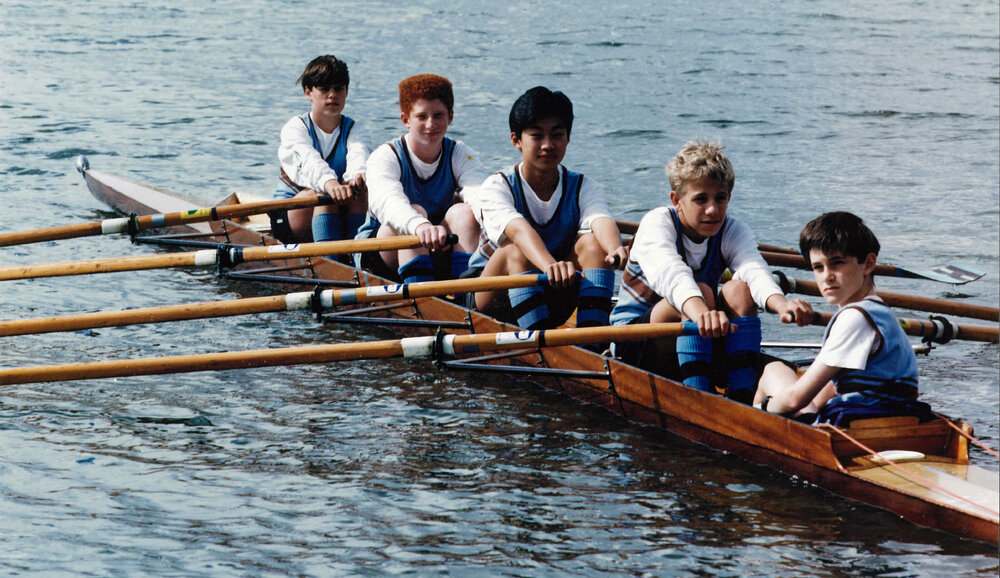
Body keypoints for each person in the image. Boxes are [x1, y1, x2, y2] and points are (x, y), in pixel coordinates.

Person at [610, 140, 812, 402]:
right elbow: (672, 276)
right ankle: (699, 397)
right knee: (702, 291)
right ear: (677, 200)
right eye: (700, 199)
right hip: (633, 341)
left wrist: (782, 306)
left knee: (740, 289)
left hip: (697, 330)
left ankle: (740, 395)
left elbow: (755, 271)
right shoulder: (657, 223)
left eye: (720, 198)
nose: (713, 210)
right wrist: (703, 313)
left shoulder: (732, 230)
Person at [466, 86, 628, 333]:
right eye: (537, 136)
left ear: (568, 138)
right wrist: (550, 265)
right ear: (516, 140)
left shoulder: (584, 186)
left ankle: (592, 342)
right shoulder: (497, 186)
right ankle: (544, 350)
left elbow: (600, 220)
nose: (548, 145)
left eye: (557, 135)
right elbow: (519, 231)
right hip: (490, 297)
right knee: (515, 250)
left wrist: (616, 250)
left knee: (594, 244)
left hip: (551, 291)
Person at [754, 212, 932, 424]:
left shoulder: (853, 318)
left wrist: (760, 406)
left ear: (868, 264)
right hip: (895, 418)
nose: (827, 276)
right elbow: (835, 383)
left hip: (859, 421)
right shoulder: (881, 312)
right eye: (818, 267)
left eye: (837, 263)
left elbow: (794, 400)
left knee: (773, 370)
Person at [356, 73, 487, 283]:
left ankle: (466, 295)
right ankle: (422, 298)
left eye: (438, 115)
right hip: (381, 250)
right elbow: (389, 202)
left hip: (437, 244)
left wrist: (502, 226)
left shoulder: (460, 154)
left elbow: (480, 195)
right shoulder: (385, 156)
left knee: (464, 212)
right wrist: (419, 225)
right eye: (422, 116)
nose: (431, 124)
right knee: (415, 212)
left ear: (450, 116)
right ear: (406, 120)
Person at [274, 55, 371, 244]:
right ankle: (331, 262)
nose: (332, 95)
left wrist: (358, 176)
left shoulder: (356, 129)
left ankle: (355, 258)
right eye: (324, 89)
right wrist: (329, 183)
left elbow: (360, 155)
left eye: (338, 89)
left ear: (347, 91)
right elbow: (309, 161)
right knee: (324, 194)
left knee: (359, 191)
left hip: (336, 208)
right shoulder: (295, 128)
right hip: (290, 215)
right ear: (308, 92)